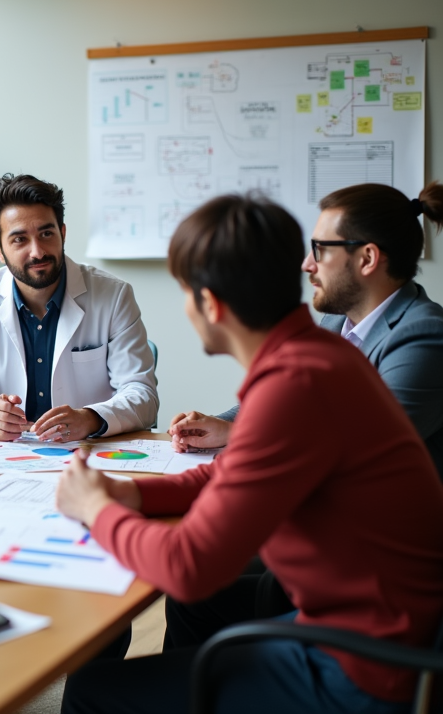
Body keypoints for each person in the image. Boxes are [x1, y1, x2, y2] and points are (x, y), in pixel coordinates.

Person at [56, 192, 443, 714]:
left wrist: (94, 510)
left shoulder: (297, 383)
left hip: (363, 666)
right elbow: (226, 473)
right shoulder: (316, 352)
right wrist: (128, 494)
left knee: (92, 692)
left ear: (210, 304)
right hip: (363, 623)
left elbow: (189, 565)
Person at [169, 182, 443, 474]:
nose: (307, 264)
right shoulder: (338, 321)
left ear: (367, 259)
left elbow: (361, 443)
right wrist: (220, 423)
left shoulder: (425, 336)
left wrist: (237, 434)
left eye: (320, 249)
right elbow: (290, 404)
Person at [0, 173, 158, 442]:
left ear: (62, 233)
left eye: (46, 233)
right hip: (12, 456)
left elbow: (142, 394)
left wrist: (90, 418)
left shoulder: (113, 295)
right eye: (19, 240)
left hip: (90, 452)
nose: (38, 251)